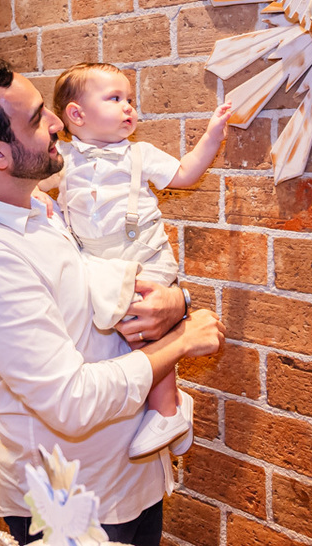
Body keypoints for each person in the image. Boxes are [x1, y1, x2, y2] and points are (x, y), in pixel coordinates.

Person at [0, 60, 225, 546]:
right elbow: (71, 400)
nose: (59, 122)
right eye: (39, 118)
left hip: (130, 475)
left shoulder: (41, 204)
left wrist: (174, 302)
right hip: (71, 503)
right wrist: (183, 341)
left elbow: (101, 288)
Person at [47, 63, 231, 460]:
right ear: (76, 115)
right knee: (125, 323)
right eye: (115, 99)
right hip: (100, 262)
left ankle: (166, 411)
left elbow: (184, 173)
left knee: (141, 320)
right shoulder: (63, 159)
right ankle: (174, 404)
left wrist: (212, 136)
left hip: (145, 258)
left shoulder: (139, 154)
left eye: (130, 99)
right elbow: (31, 189)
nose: (129, 107)